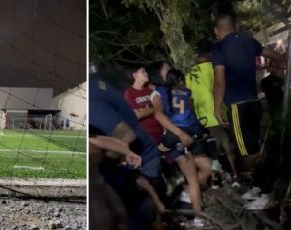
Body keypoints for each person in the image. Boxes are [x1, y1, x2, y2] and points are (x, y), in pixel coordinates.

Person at [212, 13, 286, 210]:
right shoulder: (249, 41)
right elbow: (271, 54)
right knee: (252, 148)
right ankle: (258, 187)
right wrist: (283, 59)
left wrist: (217, 107)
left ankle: (266, 193)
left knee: (248, 155)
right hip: (254, 103)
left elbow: (220, 80)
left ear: (217, 31)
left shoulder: (219, 49)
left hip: (237, 106)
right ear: (235, 27)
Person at [89, 63, 166, 228]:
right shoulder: (96, 89)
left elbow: (126, 135)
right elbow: (95, 139)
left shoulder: (92, 102)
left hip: (142, 156)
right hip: (126, 154)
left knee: (139, 211)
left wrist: (110, 157)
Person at [149, 63, 211, 227]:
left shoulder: (180, 91)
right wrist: (180, 134)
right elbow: (158, 115)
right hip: (177, 139)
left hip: (189, 136)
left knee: (207, 167)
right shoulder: (158, 93)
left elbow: (190, 113)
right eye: (164, 68)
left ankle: (185, 192)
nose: (168, 68)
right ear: (158, 74)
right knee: (193, 180)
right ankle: (198, 216)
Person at [185, 39, 239, 187]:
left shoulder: (190, 74)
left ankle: (220, 179)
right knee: (229, 146)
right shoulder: (218, 67)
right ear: (210, 53)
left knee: (214, 150)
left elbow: (189, 98)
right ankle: (235, 175)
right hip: (223, 112)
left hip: (204, 118)